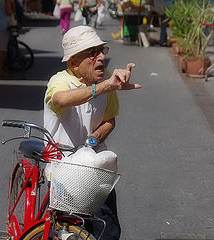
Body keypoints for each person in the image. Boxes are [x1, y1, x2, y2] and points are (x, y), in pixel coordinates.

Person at [44, 25, 141, 239]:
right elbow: (60, 99)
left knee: (108, 228)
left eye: (101, 50)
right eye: (91, 53)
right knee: (67, 231)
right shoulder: (60, 81)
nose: (100, 58)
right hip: (63, 168)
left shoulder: (106, 79)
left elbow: (109, 120)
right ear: (73, 63)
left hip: (94, 167)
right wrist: (104, 87)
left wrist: (93, 139)